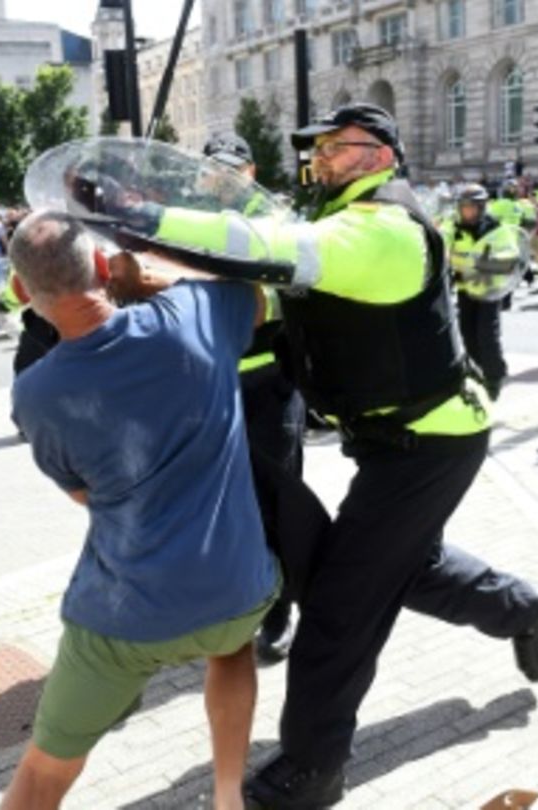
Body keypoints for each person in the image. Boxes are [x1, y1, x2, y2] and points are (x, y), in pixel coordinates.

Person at [128, 103, 538, 807]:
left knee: (339, 608)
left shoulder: (383, 227)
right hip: (404, 441)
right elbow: (288, 298)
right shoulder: (345, 221)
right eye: (319, 149)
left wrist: (143, 216)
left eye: (335, 147)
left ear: (380, 155)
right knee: (398, 567)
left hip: (429, 444)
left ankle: (313, 768)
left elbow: (264, 245)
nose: (320, 158)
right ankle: (526, 607)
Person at [1, 211, 279, 810]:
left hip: (123, 616)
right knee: (230, 649)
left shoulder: (35, 393)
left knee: (43, 771)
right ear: (103, 265)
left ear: (24, 292)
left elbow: (84, 495)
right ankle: (228, 795)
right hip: (233, 588)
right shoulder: (195, 316)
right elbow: (255, 300)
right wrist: (145, 279)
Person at [203, 131, 306, 662]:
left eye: (230, 169)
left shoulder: (275, 223)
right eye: (211, 169)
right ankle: (238, 602)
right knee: (223, 507)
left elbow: (281, 300)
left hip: (268, 385)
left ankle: (279, 613)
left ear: (251, 172)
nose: (219, 178)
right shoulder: (193, 222)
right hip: (214, 388)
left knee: (275, 506)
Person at [442, 184, 521, 399]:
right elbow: (442, 242)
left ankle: (494, 378)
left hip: (489, 291)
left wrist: (483, 266)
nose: (466, 212)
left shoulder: (496, 230)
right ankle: (477, 374)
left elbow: (510, 260)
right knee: (468, 335)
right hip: (465, 290)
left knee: (487, 337)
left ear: (481, 207)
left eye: (471, 208)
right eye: (463, 207)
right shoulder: (454, 228)